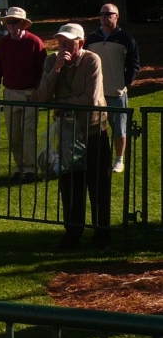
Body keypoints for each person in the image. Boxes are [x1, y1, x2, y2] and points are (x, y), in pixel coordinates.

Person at [36, 23, 111, 250]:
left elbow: (91, 99)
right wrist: (57, 69)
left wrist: (61, 104)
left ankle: (102, 236)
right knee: (70, 187)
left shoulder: (92, 60)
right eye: (60, 42)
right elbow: (41, 97)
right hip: (68, 134)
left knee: (98, 186)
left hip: (94, 131)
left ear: (81, 43)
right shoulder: (52, 61)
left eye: (69, 42)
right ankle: (72, 235)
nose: (63, 47)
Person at [0, 7, 47, 183]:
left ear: (22, 24)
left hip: (30, 94)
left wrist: (38, 89)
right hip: (10, 93)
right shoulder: (3, 43)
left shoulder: (34, 42)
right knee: (13, 134)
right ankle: (19, 166)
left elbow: (44, 69)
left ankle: (30, 168)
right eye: (8, 22)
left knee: (28, 132)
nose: (11, 25)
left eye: (14, 22)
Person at [84, 3, 140, 173]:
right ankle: (96, 159)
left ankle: (119, 160)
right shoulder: (92, 38)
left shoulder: (125, 39)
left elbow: (134, 63)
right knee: (93, 129)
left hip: (116, 93)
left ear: (117, 16)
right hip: (95, 93)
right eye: (102, 14)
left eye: (109, 14)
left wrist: (125, 82)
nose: (104, 17)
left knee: (119, 129)